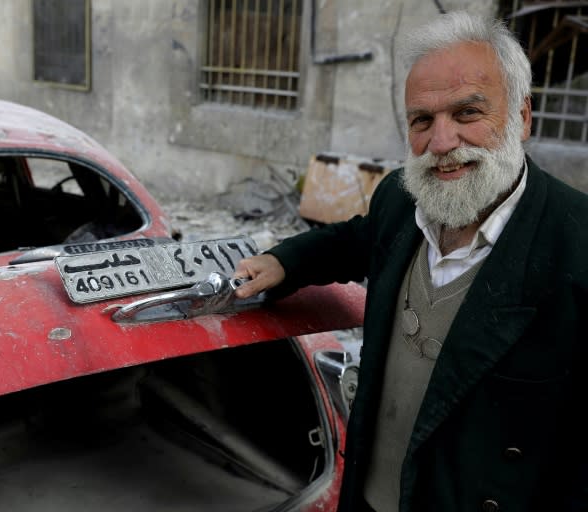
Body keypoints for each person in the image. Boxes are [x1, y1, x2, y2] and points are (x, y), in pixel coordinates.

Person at [233, 11, 588, 512]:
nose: (441, 144)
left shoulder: (577, 243)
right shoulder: (401, 202)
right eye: (422, 121)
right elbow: (355, 238)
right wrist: (284, 261)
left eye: (467, 114)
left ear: (522, 118)